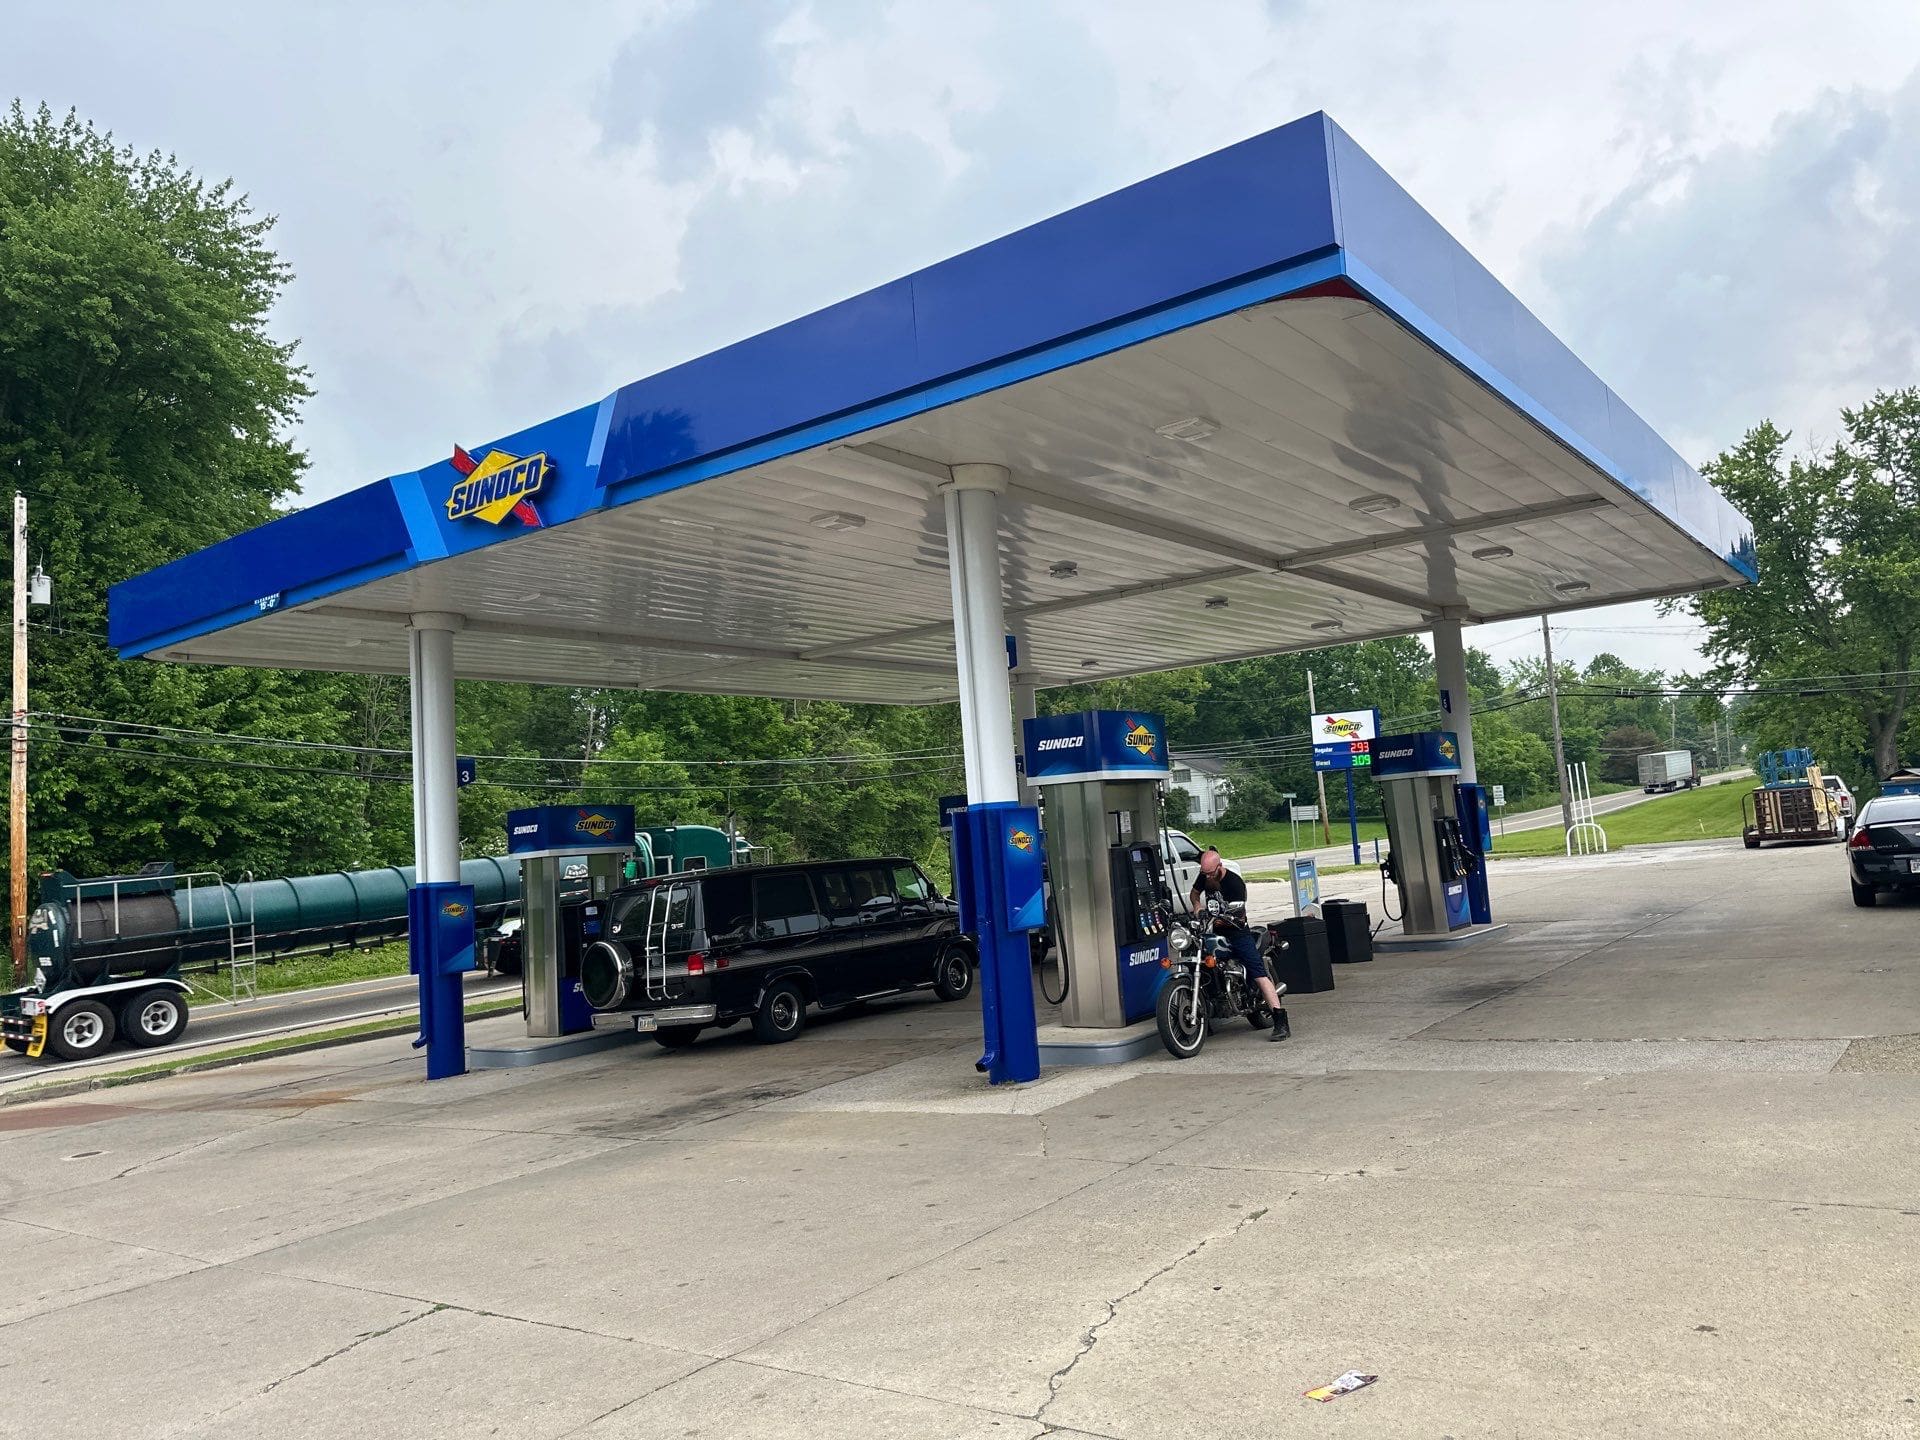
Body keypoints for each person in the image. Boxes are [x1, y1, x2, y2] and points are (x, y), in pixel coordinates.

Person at [1188, 848, 1290, 1040]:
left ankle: (1280, 1021)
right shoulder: (1205, 876)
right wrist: (1197, 906)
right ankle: (1205, 1017)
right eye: (1205, 873)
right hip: (1214, 932)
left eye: (1210, 873)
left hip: (1237, 931)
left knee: (1257, 972)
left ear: (1220, 866)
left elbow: (1239, 915)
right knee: (1200, 964)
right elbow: (1194, 893)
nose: (1208, 877)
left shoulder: (1234, 883)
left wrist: (1216, 919)